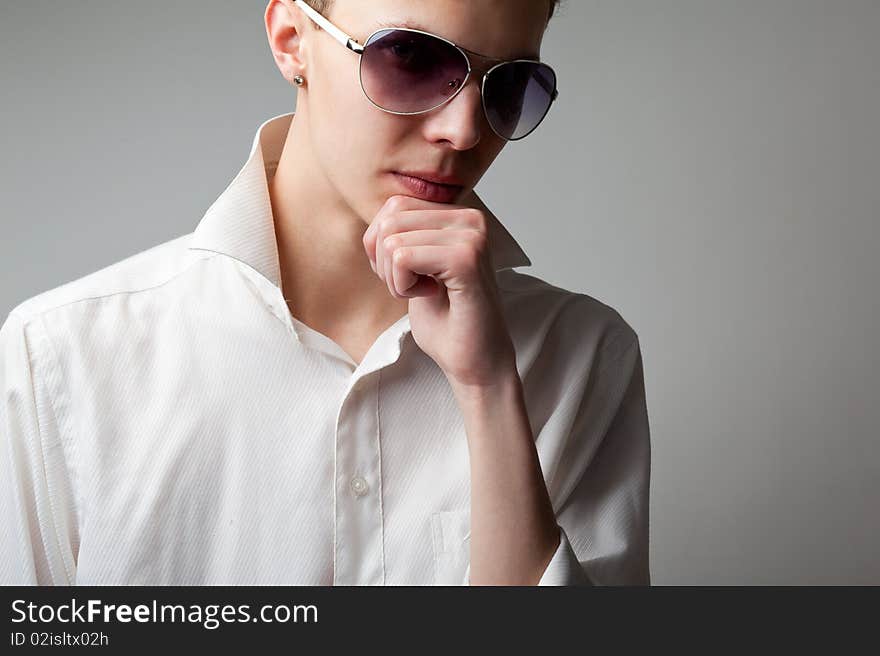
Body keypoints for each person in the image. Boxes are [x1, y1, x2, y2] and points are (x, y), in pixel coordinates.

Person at [0, 0, 651, 586]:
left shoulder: (584, 356)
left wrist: (488, 393)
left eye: (509, 86)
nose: (463, 130)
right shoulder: (59, 360)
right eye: (412, 57)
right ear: (292, 40)